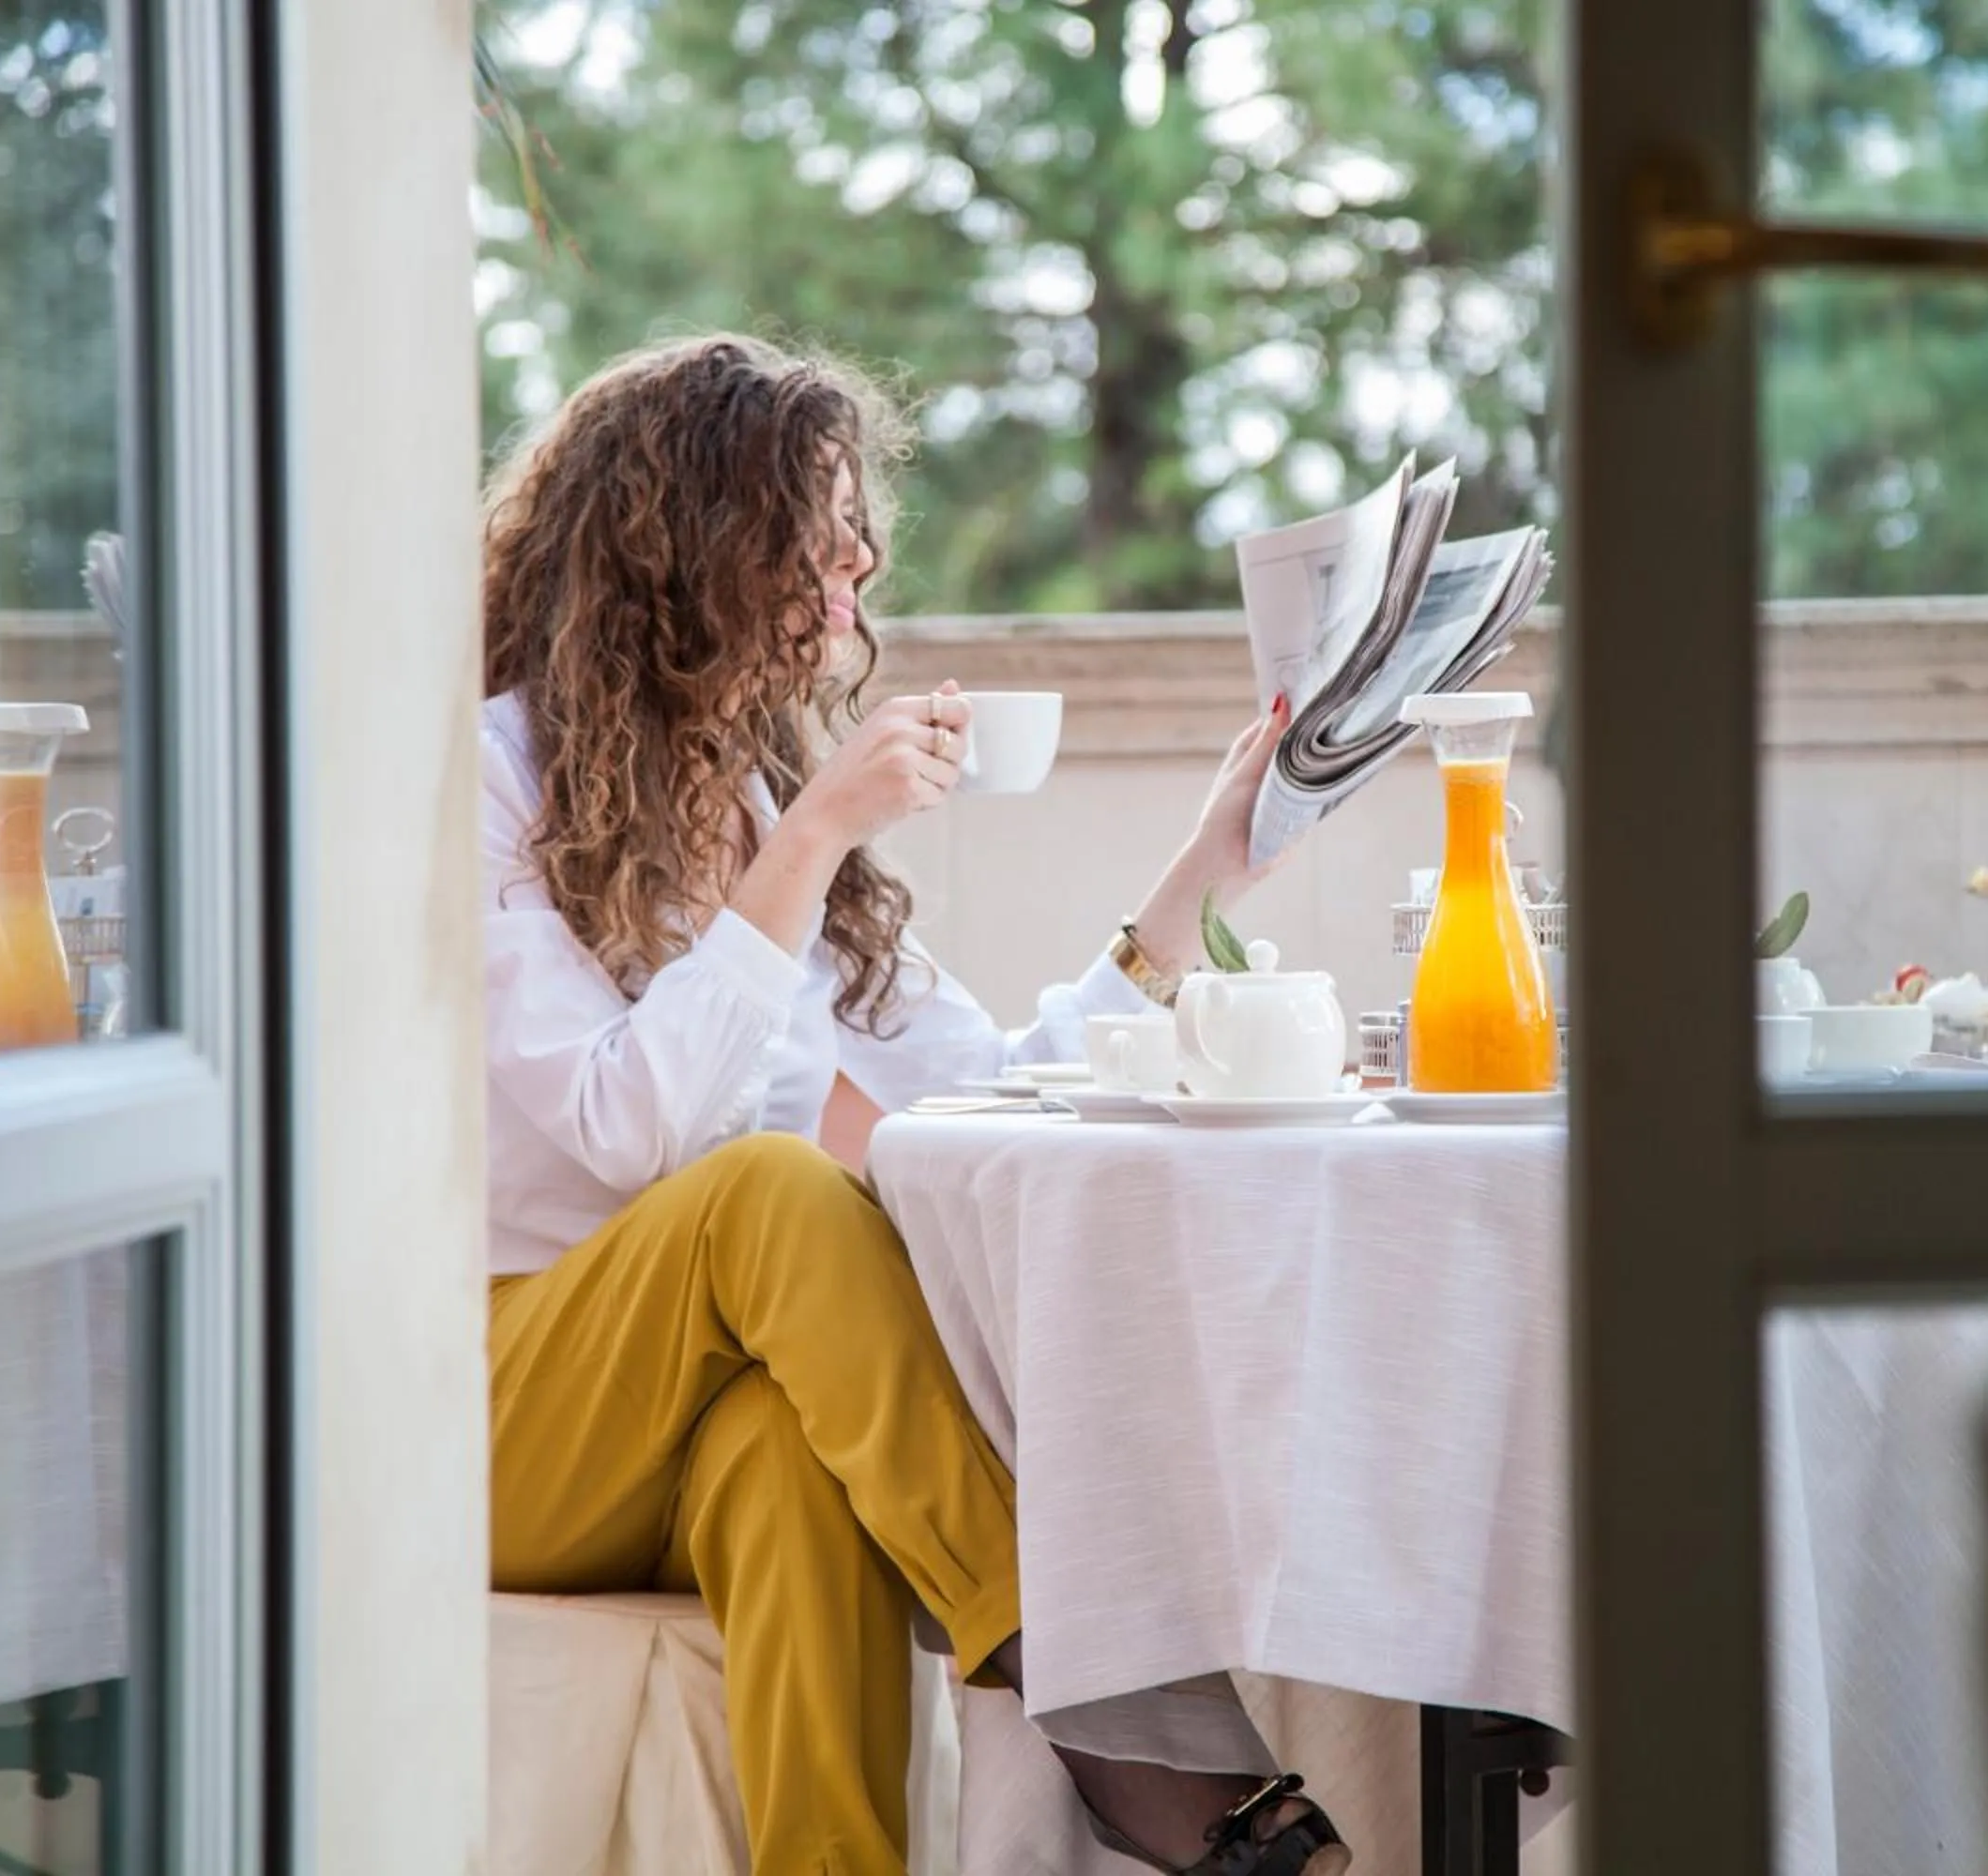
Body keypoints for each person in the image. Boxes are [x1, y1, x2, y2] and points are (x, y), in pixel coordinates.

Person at [478, 333, 1347, 1876]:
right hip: (503, 1405)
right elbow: (631, 1130)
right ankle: (1090, 1687)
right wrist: (810, 835)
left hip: (685, 1424)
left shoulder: (740, 796)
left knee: (787, 1447)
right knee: (769, 1190)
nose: (862, 553)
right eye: (817, 517)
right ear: (691, 548)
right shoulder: (489, 776)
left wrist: (1215, 861)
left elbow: (989, 1092)